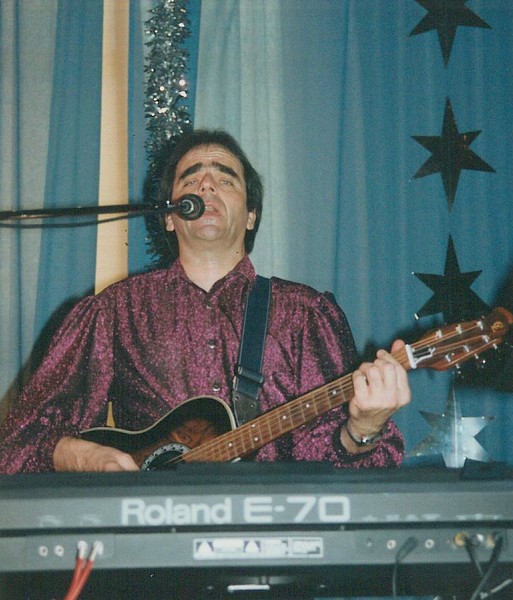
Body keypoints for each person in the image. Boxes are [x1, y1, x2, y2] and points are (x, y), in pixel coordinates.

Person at [0, 129, 410, 474]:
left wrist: (362, 430)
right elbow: (18, 440)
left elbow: (344, 469)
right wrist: (85, 456)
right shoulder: (115, 310)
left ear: (251, 215)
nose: (207, 185)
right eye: (191, 178)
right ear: (168, 216)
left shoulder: (306, 314)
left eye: (226, 179)